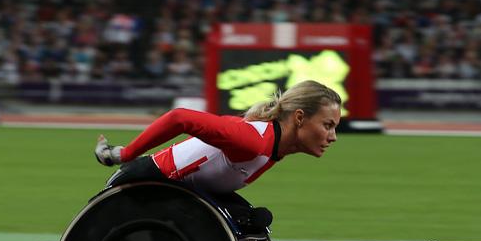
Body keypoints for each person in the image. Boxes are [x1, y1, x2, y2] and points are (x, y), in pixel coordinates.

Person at [93, 80, 341, 201]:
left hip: (184, 195)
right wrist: (124, 154)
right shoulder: (252, 142)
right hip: (144, 183)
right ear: (299, 118)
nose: (333, 137)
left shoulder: (277, 146)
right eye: (327, 125)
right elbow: (179, 118)